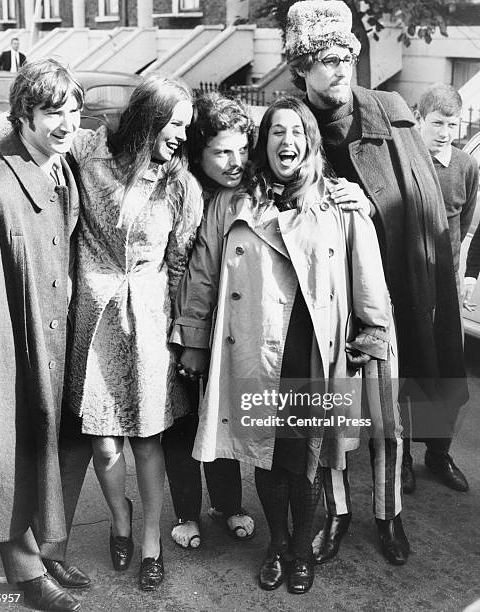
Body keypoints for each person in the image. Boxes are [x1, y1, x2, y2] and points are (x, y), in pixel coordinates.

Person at [0, 73, 204, 592]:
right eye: (176, 123)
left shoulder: (182, 184)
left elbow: (183, 265)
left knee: (147, 443)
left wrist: (184, 335)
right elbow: (34, 120)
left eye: (187, 126)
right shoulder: (91, 152)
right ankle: (119, 520)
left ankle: (150, 543)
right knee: (101, 444)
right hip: (90, 323)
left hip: (149, 326)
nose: (183, 134)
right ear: (149, 118)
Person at [172, 95, 394, 594]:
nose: (286, 141)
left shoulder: (339, 200)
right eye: (276, 132)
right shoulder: (234, 202)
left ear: (310, 141)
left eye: (296, 131)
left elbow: (367, 271)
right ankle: (276, 545)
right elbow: (205, 273)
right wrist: (193, 338)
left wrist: (373, 331)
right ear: (263, 143)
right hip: (253, 345)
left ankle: (300, 552)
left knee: (306, 455)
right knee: (265, 454)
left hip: (313, 347)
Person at [285, 0, 467, 565]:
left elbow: (420, 202)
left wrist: (370, 206)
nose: (339, 70)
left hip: (395, 293)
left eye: (345, 58)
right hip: (327, 301)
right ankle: (338, 515)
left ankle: (396, 505)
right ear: (300, 70)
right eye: (324, 60)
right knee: (338, 419)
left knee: (395, 411)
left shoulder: (390, 110)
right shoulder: (294, 123)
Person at [0, 59, 90, 612]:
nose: (66, 122)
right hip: (11, 344)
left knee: (45, 447)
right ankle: (26, 569)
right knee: (9, 449)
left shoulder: (59, 166)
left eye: (73, 110)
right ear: (24, 117)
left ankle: (45, 548)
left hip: (52, 338)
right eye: (52, 112)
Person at [161, 93, 256, 548]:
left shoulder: (240, 193)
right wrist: (192, 340)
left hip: (222, 328)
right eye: (222, 151)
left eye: (241, 148)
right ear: (197, 151)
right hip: (171, 324)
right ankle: (185, 514)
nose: (235, 161)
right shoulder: (182, 186)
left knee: (220, 420)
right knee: (182, 424)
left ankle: (229, 504)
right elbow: (196, 275)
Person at [413, 83, 478, 492]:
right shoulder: (404, 161)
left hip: (447, 291)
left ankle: (438, 454)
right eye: (436, 123)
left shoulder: (466, 166)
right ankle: (398, 459)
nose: (444, 132)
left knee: (449, 377)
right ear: (419, 120)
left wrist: (464, 276)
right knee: (406, 375)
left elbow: (466, 218)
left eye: (451, 124)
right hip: (407, 288)